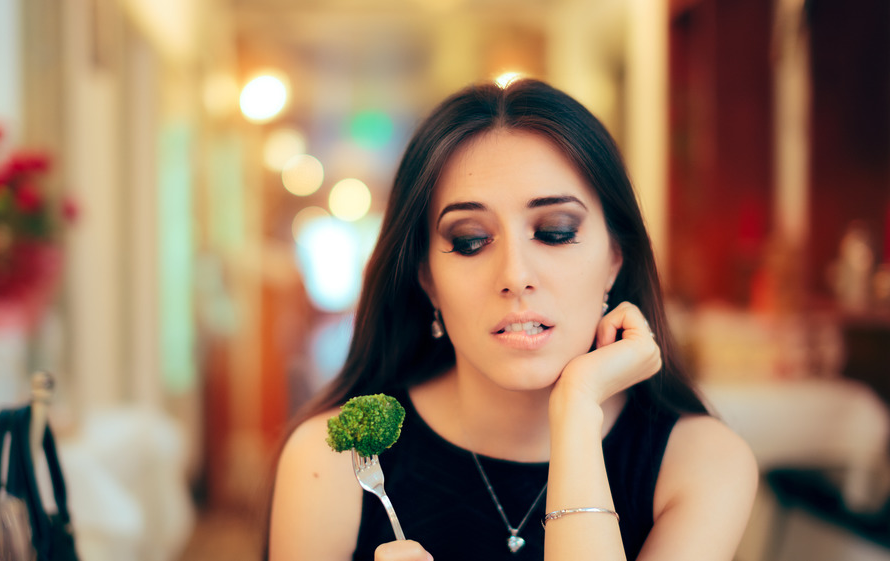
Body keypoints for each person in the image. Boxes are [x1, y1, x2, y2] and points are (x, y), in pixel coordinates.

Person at [268, 78, 757, 561]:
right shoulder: (333, 464)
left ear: (615, 257)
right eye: (469, 241)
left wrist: (577, 410)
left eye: (555, 232)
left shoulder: (703, 464)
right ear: (427, 278)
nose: (515, 276)